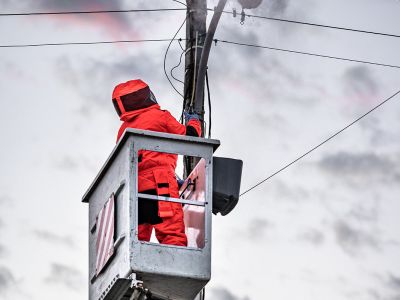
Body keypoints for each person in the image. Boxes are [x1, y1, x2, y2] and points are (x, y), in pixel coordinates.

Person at [112, 79, 201, 247]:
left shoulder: (123, 130)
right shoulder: (160, 116)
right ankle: (176, 268)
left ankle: (136, 274)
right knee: (172, 234)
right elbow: (190, 139)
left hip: (134, 189)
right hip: (161, 185)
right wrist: (194, 121)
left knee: (136, 242)